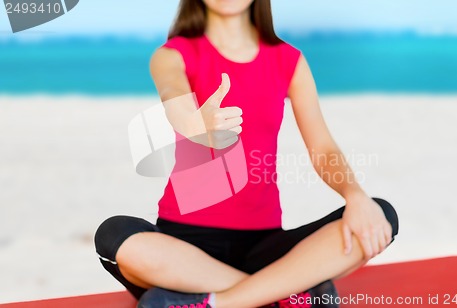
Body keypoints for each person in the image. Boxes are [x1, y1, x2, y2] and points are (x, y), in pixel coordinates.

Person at [94, 0, 399, 307]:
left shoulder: (288, 59)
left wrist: (355, 195)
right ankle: (279, 294)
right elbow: (174, 97)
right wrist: (195, 123)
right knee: (114, 235)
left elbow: (323, 149)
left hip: (266, 247)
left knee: (380, 215)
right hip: (184, 249)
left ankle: (218, 302)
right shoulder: (171, 54)